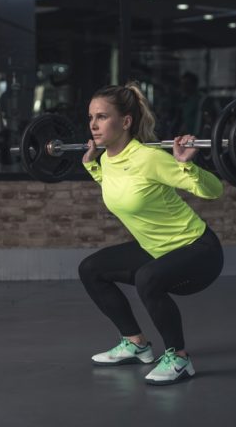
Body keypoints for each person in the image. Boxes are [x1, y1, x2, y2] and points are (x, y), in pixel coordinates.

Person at [79, 81, 224, 386]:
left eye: (102, 117)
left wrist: (187, 166)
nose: (93, 125)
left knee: (148, 277)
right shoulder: (107, 160)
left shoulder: (150, 159)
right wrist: (93, 167)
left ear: (126, 122)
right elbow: (121, 191)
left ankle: (180, 359)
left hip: (198, 250)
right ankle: (136, 343)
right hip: (156, 248)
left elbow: (214, 191)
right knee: (91, 269)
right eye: (91, 117)